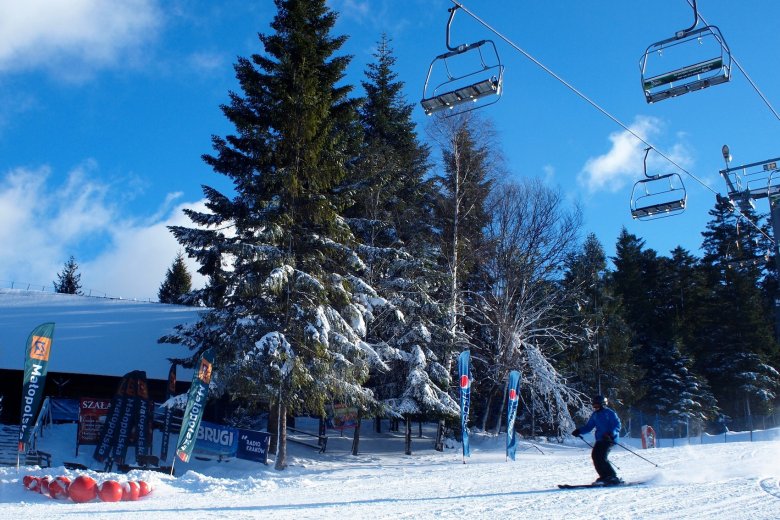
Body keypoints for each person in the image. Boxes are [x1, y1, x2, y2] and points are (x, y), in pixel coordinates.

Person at [571, 395, 622, 486]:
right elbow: (589, 427)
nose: (595, 407)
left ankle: (612, 476)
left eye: (597, 405)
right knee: (595, 456)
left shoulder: (609, 413)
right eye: (594, 406)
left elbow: (617, 425)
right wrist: (579, 431)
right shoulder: (595, 415)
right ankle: (604, 476)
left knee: (601, 456)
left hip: (609, 439)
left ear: (603, 404)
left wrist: (611, 433)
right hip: (600, 439)